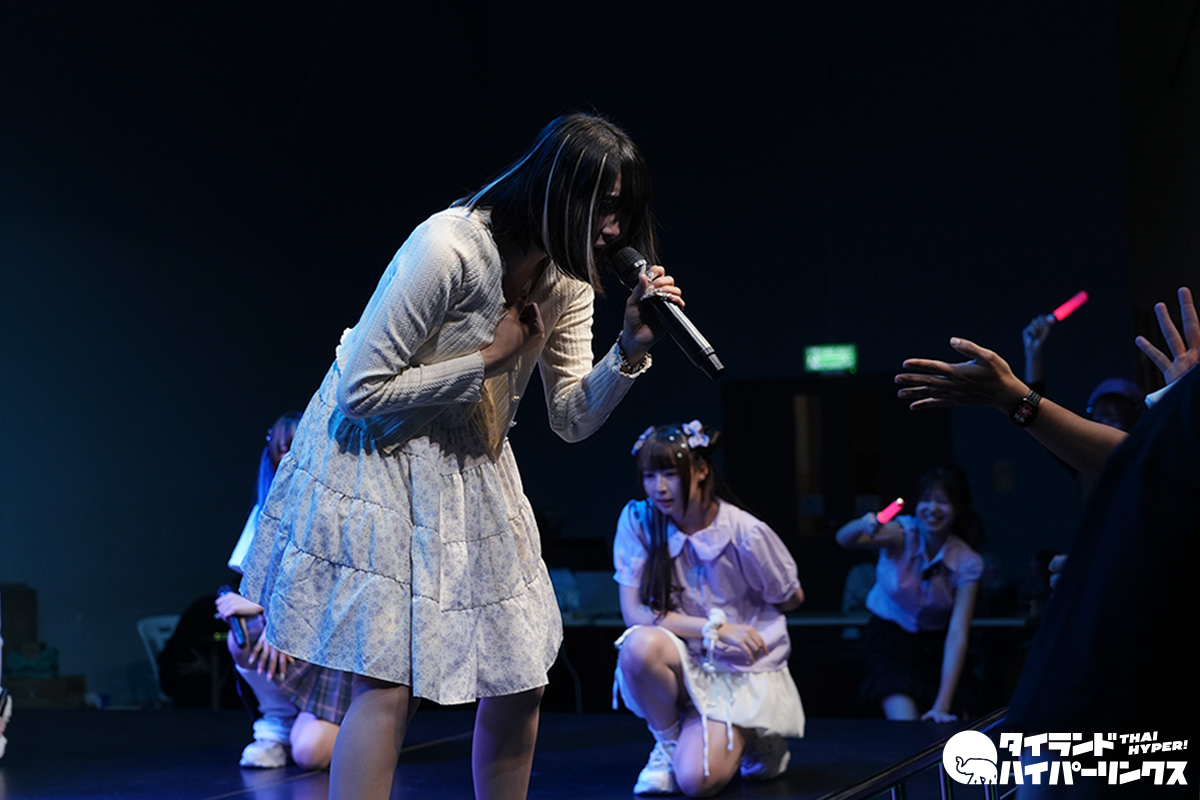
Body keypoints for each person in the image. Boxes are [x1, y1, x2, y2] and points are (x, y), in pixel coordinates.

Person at [239, 113, 684, 800]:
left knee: (521, 675)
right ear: (555, 191)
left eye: (624, 213)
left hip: (471, 457)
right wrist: (488, 359)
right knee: (387, 680)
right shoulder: (447, 247)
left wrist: (629, 351)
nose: (614, 230)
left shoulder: (565, 280)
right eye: (603, 208)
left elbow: (570, 417)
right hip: (380, 453)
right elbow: (361, 391)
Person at [895, 287, 1198, 797]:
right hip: (1086, 703)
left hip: (1126, 714)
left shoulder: (1152, 459)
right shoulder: (1142, 456)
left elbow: (1138, 466)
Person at [613, 421, 805, 797]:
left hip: (736, 667)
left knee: (696, 781)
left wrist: (742, 620)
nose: (659, 487)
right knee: (638, 644)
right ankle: (669, 745)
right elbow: (634, 613)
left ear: (701, 470)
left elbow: (791, 597)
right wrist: (712, 628)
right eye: (650, 476)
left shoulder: (744, 531)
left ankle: (756, 732)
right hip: (687, 658)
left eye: (670, 474)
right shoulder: (639, 521)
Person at [217, 412, 351, 770]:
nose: (291, 456)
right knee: (242, 636)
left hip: (335, 648)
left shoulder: (338, 504)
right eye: (284, 448)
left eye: (298, 446)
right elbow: (254, 582)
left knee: (311, 753)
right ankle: (278, 726)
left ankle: (366, 729)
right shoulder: (267, 510)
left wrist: (278, 618)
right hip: (296, 635)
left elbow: (336, 591)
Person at [835, 465, 984, 723]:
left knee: (940, 723)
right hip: (889, 642)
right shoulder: (901, 533)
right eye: (926, 499)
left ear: (958, 508)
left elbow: (958, 632)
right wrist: (864, 524)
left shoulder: (967, 561)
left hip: (935, 648)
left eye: (942, 501)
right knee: (906, 723)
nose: (932, 508)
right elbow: (844, 539)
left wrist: (942, 706)